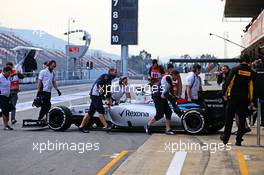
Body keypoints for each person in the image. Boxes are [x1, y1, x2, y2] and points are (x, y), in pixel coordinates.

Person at [220, 54, 256, 146]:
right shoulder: (251, 72)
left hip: (233, 97)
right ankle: (239, 140)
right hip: (244, 98)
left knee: (229, 118)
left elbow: (228, 82)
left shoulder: (235, 69)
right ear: (248, 61)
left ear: (241, 60)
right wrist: (251, 100)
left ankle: (225, 138)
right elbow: (251, 87)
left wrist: (223, 92)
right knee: (242, 118)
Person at [79, 68, 117, 133]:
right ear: (110, 72)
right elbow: (99, 84)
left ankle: (81, 126)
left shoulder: (110, 80)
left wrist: (110, 102)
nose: (116, 73)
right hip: (95, 95)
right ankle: (106, 126)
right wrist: (101, 92)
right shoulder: (106, 76)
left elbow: (108, 92)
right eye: (115, 72)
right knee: (101, 111)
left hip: (97, 96)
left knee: (90, 113)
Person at [145, 69, 182, 135]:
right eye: (177, 77)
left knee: (169, 112)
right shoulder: (167, 78)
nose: (177, 79)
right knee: (159, 115)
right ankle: (148, 125)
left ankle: (168, 130)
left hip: (162, 97)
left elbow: (170, 94)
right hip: (158, 97)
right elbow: (165, 93)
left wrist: (175, 100)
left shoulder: (169, 79)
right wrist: (174, 106)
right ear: (174, 75)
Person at [0, 66, 13, 130]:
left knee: (7, 110)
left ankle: (6, 124)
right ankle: (5, 126)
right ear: (4, 71)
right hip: (1, 96)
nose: (9, 74)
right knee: (5, 110)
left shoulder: (8, 77)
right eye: (9, 73)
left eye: (10, 73)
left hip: (8, 96)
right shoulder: (0, 77)